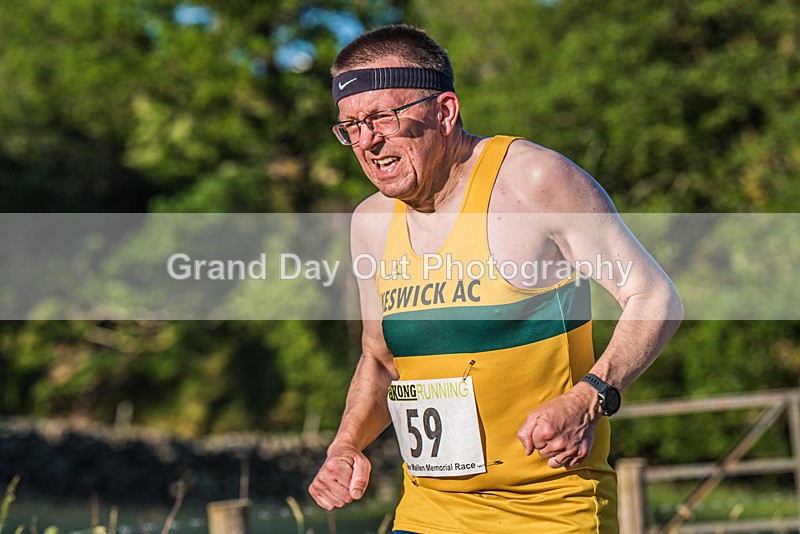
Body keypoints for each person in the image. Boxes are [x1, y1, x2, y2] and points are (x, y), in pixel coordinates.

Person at [309, 24, 683, 533]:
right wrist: (346, 445)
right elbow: (380, 359)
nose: (367, 142)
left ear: (443, 112)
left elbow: (653, 295)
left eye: (382, 118)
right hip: (429, 513)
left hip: (550, 510)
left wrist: (589, 395)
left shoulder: (533, 183)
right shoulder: (370, 222)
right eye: (350, 126)